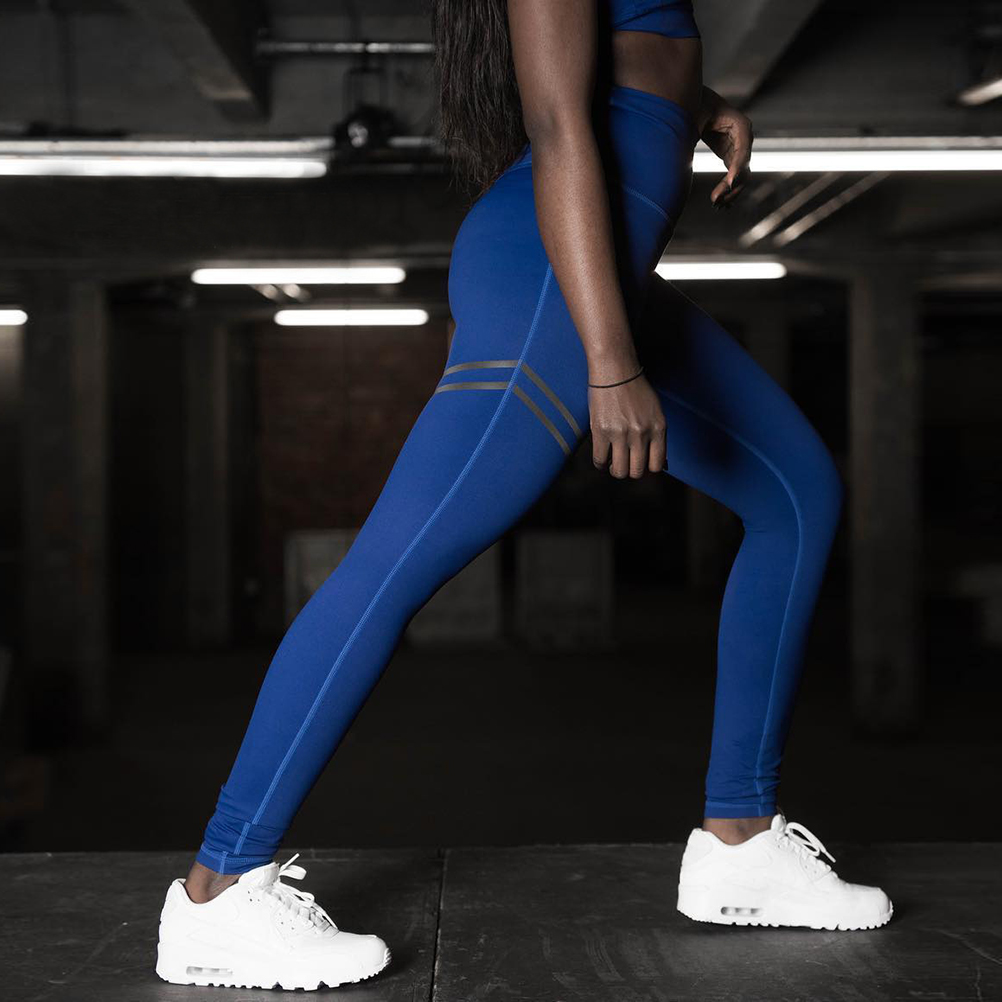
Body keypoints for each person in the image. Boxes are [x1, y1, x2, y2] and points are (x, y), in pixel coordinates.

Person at [155, 0, 893, 990]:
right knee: (394, 566)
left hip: (598, 265)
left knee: (796, 493)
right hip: (553, 273)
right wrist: (611, 361)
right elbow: (557, 122)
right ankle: (218, 890)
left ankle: (742, 843)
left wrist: (697, 101)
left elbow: (614, 54)